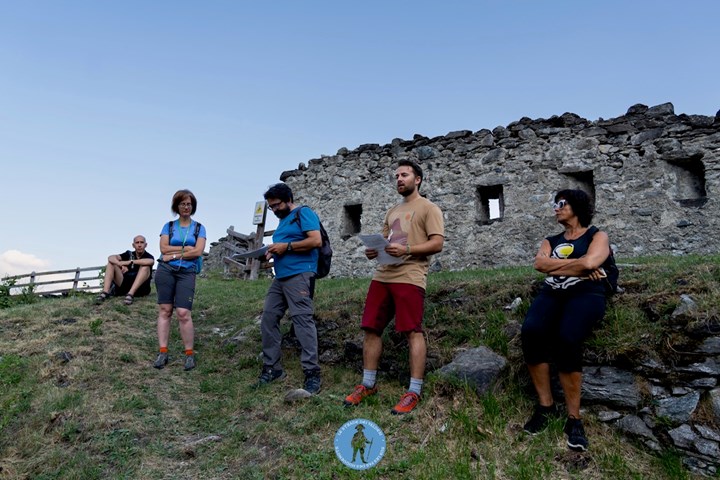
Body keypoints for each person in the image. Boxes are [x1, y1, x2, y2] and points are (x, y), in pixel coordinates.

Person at [343, 159, 445, 415]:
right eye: (396, 176)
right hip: (382, 275)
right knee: (371, 328)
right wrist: (374, 251)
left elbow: (437, 244)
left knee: (412, 331)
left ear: (417, 179)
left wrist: (407, 249)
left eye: (404, 175)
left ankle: (414, 390)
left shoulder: (429, 208)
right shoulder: (391, 211)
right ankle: (367, 384)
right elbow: (387, 241)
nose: (399, 179)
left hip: (410, 276)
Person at [521, 189, 615, 452]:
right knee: (531, 331)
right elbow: (539, 265)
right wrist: (580, 265)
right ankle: (546, 407)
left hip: (587, 292)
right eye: (555, 203)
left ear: (577, 206)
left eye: (562, 203)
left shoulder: (597, 235)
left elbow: (593, 261)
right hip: (553, 291)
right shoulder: (550, 240)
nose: (556, 208)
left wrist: (563, 265)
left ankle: (574, 419)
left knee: (568, 337)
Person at [256, 182, 323, 394]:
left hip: (300, 274)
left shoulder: (304, 213)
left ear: (288, 200)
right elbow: (282, 247)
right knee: (268, 317)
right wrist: (272, 252)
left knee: (302, 320)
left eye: (276, 205)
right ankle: (272, 368)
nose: (274, 210)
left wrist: (287, 246)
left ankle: (312, 373)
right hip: (281, 276)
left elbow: (316, 240)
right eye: (271, 207)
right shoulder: (284, 222)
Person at [153, 189, 206, 372]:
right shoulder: (168, 226)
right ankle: (162, 352)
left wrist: (174, 253)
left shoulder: (199, 228)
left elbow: (198, 252)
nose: (186, 207)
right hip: (165, 270)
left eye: (189, 204)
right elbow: (162, 248)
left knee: (183, 313)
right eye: (183, 203)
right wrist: (186, 250)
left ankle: (189, 354)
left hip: (187, 272)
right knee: (165, 310)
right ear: (176, 206)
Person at [95, 235, 154, 305]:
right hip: (124, 285)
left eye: (141, 242)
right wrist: (119, 264)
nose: (139, 245)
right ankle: (105, 292)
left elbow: (150, 261)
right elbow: (110, 257)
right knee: (111, 263)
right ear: (133, 245)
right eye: (137, 243)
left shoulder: (148, 256)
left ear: (145, 245)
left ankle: (130, 294)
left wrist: (130, 262)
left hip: (141, 289)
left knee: (145, 267)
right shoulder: (128, 254)